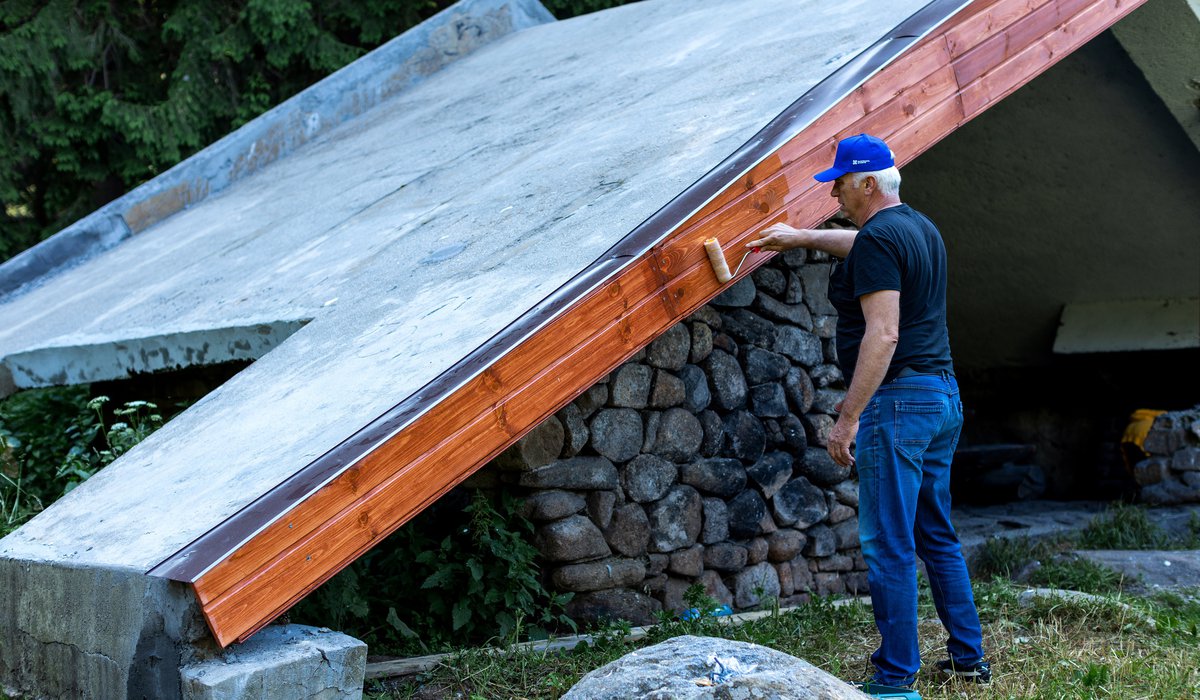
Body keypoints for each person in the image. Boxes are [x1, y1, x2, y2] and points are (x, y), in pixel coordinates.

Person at [745, 134, 990, 689]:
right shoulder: (918, 228)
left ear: (868, 184)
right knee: (936, 533)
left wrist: (848, 416)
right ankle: (970, 661)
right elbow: (860, 243)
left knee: (888, 542)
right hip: (941, 397)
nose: (835, 195)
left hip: (899, 403)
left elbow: (884, 333)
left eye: (840, 185)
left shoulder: (881, 238)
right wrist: (798, 238)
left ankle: (895, 679)